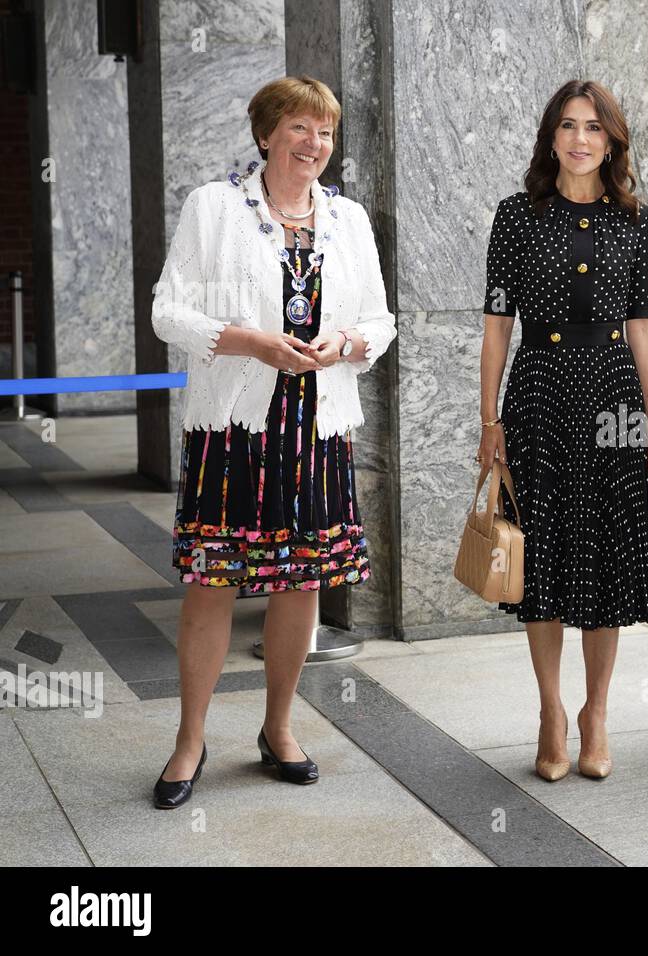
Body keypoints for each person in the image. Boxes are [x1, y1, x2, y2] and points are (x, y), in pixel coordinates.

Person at [149, 76, 396, 808]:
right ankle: (189, 740)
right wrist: (250, 342)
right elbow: (168, 312)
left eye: (324, 132)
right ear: (265, 134)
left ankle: (278, 729)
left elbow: (382, 322)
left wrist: (346, 341)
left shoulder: (347, 219)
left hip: (316, 428)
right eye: (299, 128)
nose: (313, 144)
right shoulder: (214, 207)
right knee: (212, 584)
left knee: (302, 584)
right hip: (235, 426)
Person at [477, 80, 648, 782]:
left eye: (594, 128)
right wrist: (489, 417)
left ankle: (597, 713)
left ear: (612, 140)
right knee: (545, 558)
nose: (580, 139)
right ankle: (551, 711)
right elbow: (498, 323)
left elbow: (644, 322)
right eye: (567, 126)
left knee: (608, 559)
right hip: (538, 394)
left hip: (613, 394)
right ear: (550, 138)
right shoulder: (517, 216)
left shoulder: (636, 220)